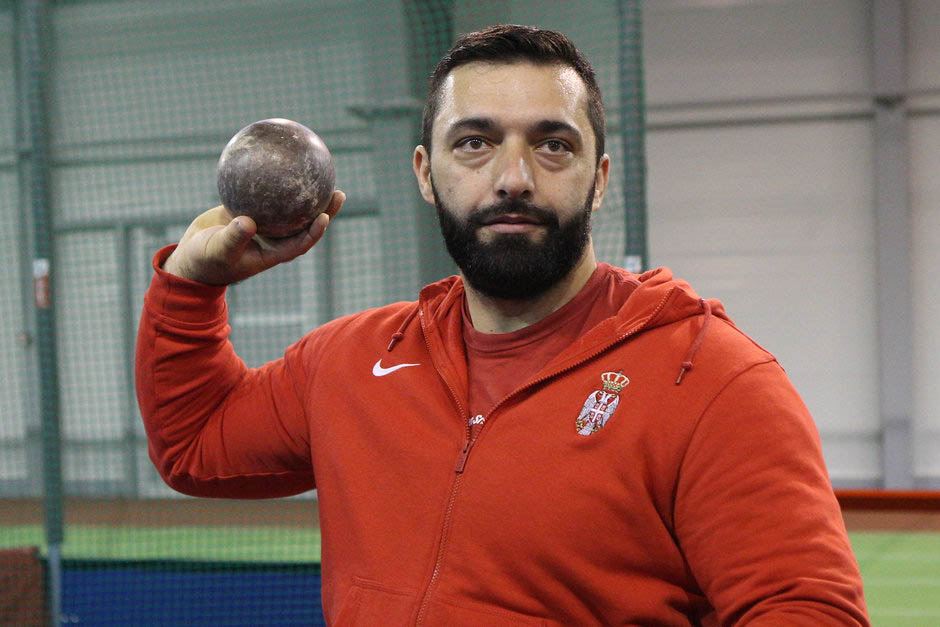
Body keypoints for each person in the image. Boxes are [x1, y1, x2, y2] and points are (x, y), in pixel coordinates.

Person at [136, 24, 869, 626]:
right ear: (426, 172)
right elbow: (196, 442)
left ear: (600, 178)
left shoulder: (712, 379)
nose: (513, 176)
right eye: (475, 142)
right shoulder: (352, 360)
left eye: (552, 144)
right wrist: (191, 285)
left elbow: (807, 609)